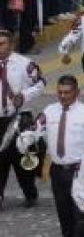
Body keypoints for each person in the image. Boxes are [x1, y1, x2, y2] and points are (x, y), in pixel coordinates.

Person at [34, 75, 84, 237]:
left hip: (80, 172)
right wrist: (28, 137)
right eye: (59, 92)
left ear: (77, 92)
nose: (62, 96)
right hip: (58, 171)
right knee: (65, 218)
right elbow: (38, 130)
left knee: (82, 218)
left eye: (67, 92)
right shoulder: (49, 111)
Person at [0, 29, 45, 208]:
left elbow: (41, 83)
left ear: (11, 45)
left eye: (2, 43)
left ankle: (30, 192)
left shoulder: (25, 64)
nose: (0, 47)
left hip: (20, 118)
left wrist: (24, 95)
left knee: (21, 159)